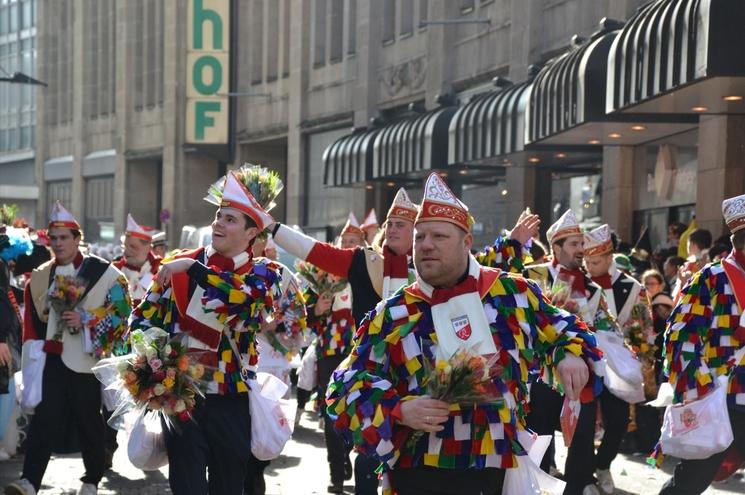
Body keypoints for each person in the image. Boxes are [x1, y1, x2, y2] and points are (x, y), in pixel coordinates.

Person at [326, 172, 602, 495]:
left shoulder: (512, 293)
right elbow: (345, 385)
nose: (426, 245)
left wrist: (571, 352)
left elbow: (567, 329)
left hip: (493, 470)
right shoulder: (392, 312)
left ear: (467, 242)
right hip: (418, 472)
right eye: (420, 237)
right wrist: (399, 408)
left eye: (439, 237)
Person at [129, 169, 283, 495]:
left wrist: (194, 270)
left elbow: (245, 304)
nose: (217, 224)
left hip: (231, 397)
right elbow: (141, 319)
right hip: (182, 395)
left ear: (252, 231)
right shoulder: (179, 264)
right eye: (218, 216)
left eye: (230, 219)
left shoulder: (264, 273)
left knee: (229, 486)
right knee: (187, 486)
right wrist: (155, 359)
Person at [270, 188, 419, 494]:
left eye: (400, 224)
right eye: (389, 223)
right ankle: (340, 474)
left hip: (416, 377)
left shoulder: (430, 271)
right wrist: (271, 226)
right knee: (366, 460)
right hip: (367, 374)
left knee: (410, 461)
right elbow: (313, 251)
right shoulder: (364, 262)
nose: (391, 229)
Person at [6, 202, 131, 495]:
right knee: (44, 420)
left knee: (90, 421)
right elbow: (33, 324)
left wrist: (88, 318)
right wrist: (31, 362)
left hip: (87, 361)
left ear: (77, 238)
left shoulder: (104, 272)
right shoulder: (39, 276)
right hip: (51, 358)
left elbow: (124, 309)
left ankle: (91, 479)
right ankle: (29, 481)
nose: (58, 243)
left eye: (64, 237)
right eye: (54, 237)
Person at [657, 193, 745, 494]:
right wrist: (700, 387)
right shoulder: (712, 279)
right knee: (689, 482)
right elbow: (680, 337)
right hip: (722, 398)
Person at [524, 210, 616, 495]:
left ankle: (577, 485)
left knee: (582, 434)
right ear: (556, 247)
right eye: (574, 244)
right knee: (540, 435)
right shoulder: (534, 276)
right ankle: (534, 484)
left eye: (582, 243)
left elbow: (604, 325)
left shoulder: (592, 287)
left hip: (582, 374)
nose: (581, 250)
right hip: (542, 373)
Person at [583, 225, 653, 494]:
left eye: (596, 261)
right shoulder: (579, 282)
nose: (590, 266)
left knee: (618, 422)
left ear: (610, 257)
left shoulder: (631, 287)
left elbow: (642, 327)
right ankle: (586, 472)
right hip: (587, 362)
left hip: (618, 365)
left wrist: (640, 360)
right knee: (584, 423)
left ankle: (603, 464)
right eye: (587, 261)